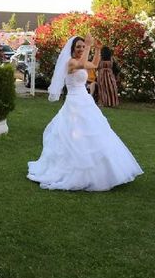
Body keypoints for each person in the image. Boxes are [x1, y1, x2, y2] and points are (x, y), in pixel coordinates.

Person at [27, 35, 143, 191]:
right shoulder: (71, 62)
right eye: (78, 47)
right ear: (72, 49)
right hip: (74, 102)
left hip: (86, 100)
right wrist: (88, 45)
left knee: (96, 131)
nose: (81, 49)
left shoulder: (80, 60)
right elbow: (81, 64)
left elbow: (94, 64)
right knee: (74, 134)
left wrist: (97, 49)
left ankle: (104, 172)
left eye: (82, 46)